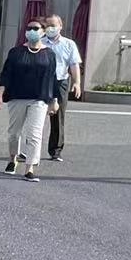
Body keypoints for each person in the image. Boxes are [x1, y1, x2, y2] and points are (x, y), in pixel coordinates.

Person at [0, 18, 59, 183]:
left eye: (35, 28)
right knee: (14, 133)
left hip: (39, 99)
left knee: (35, 134)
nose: (31, 31)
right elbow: (6, 74)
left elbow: (52, 78)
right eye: (29, 28)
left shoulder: (49, 54)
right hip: (17, 97)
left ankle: (30, 168)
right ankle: (12, 158)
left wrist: (54, 100)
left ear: (43, 31)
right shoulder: (16, 52)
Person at [44, 14, 83, 162]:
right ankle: (29, 149)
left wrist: (77, 82)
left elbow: (74, 64)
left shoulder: (68, 44)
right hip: (42, 81)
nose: (50, 28)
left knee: (58, 116)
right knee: (35, 114)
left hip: (60, 81)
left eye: (53, 25)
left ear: (60, 26)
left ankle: (55, 150)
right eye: (47, 25)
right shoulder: (40, 42)